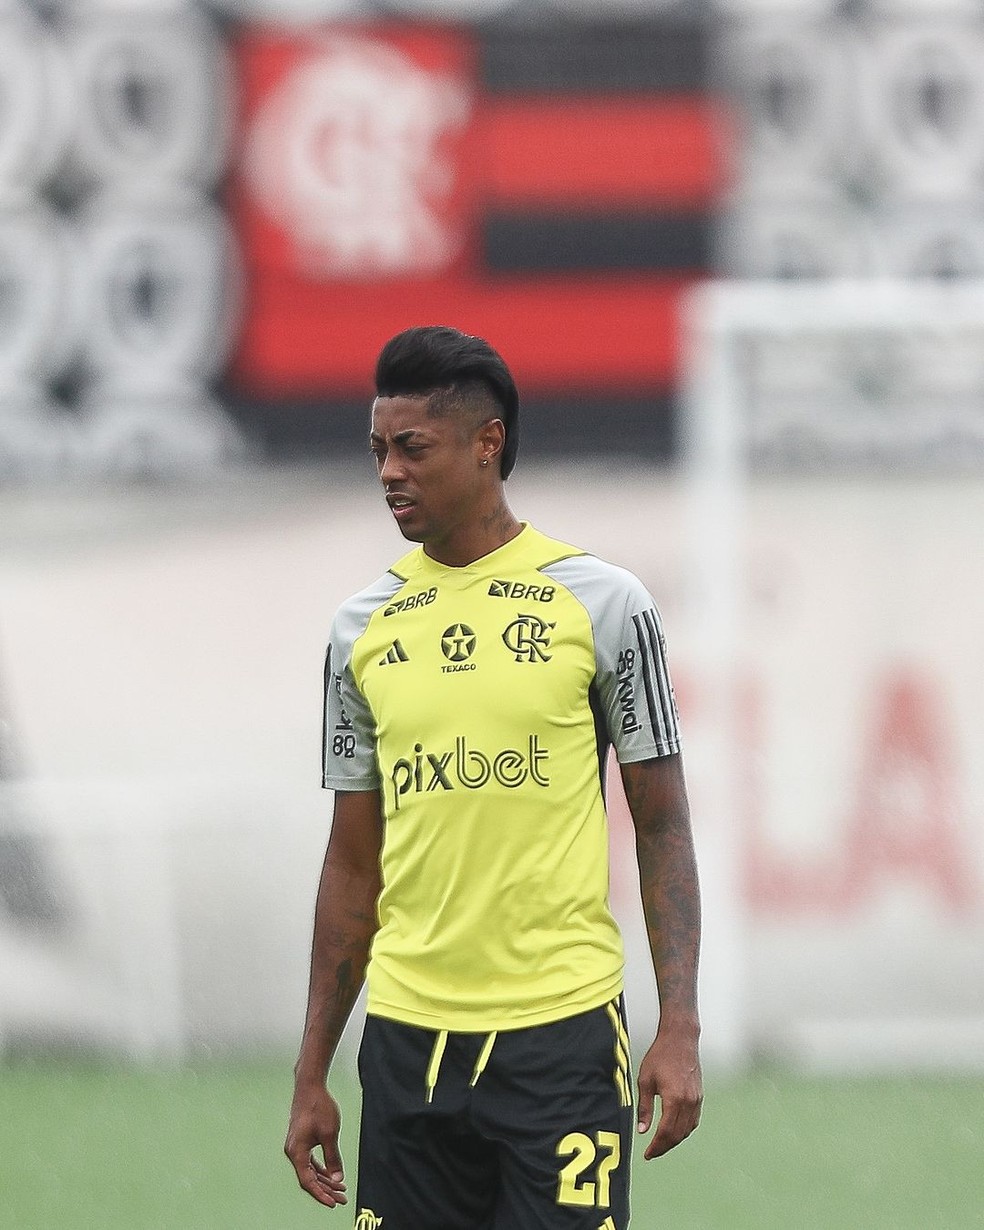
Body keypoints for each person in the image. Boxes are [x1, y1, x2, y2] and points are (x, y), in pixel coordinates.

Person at [284, 325, 702, 1228]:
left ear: (488, 444)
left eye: (412, 448)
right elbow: (353, 863)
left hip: (563, 1039)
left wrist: (679, 1024)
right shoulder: (361, 630)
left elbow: (663, 824)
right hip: (406, 1044)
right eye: (378, 451)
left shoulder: (603, 604)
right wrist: (311, 1069)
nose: (389, 471)